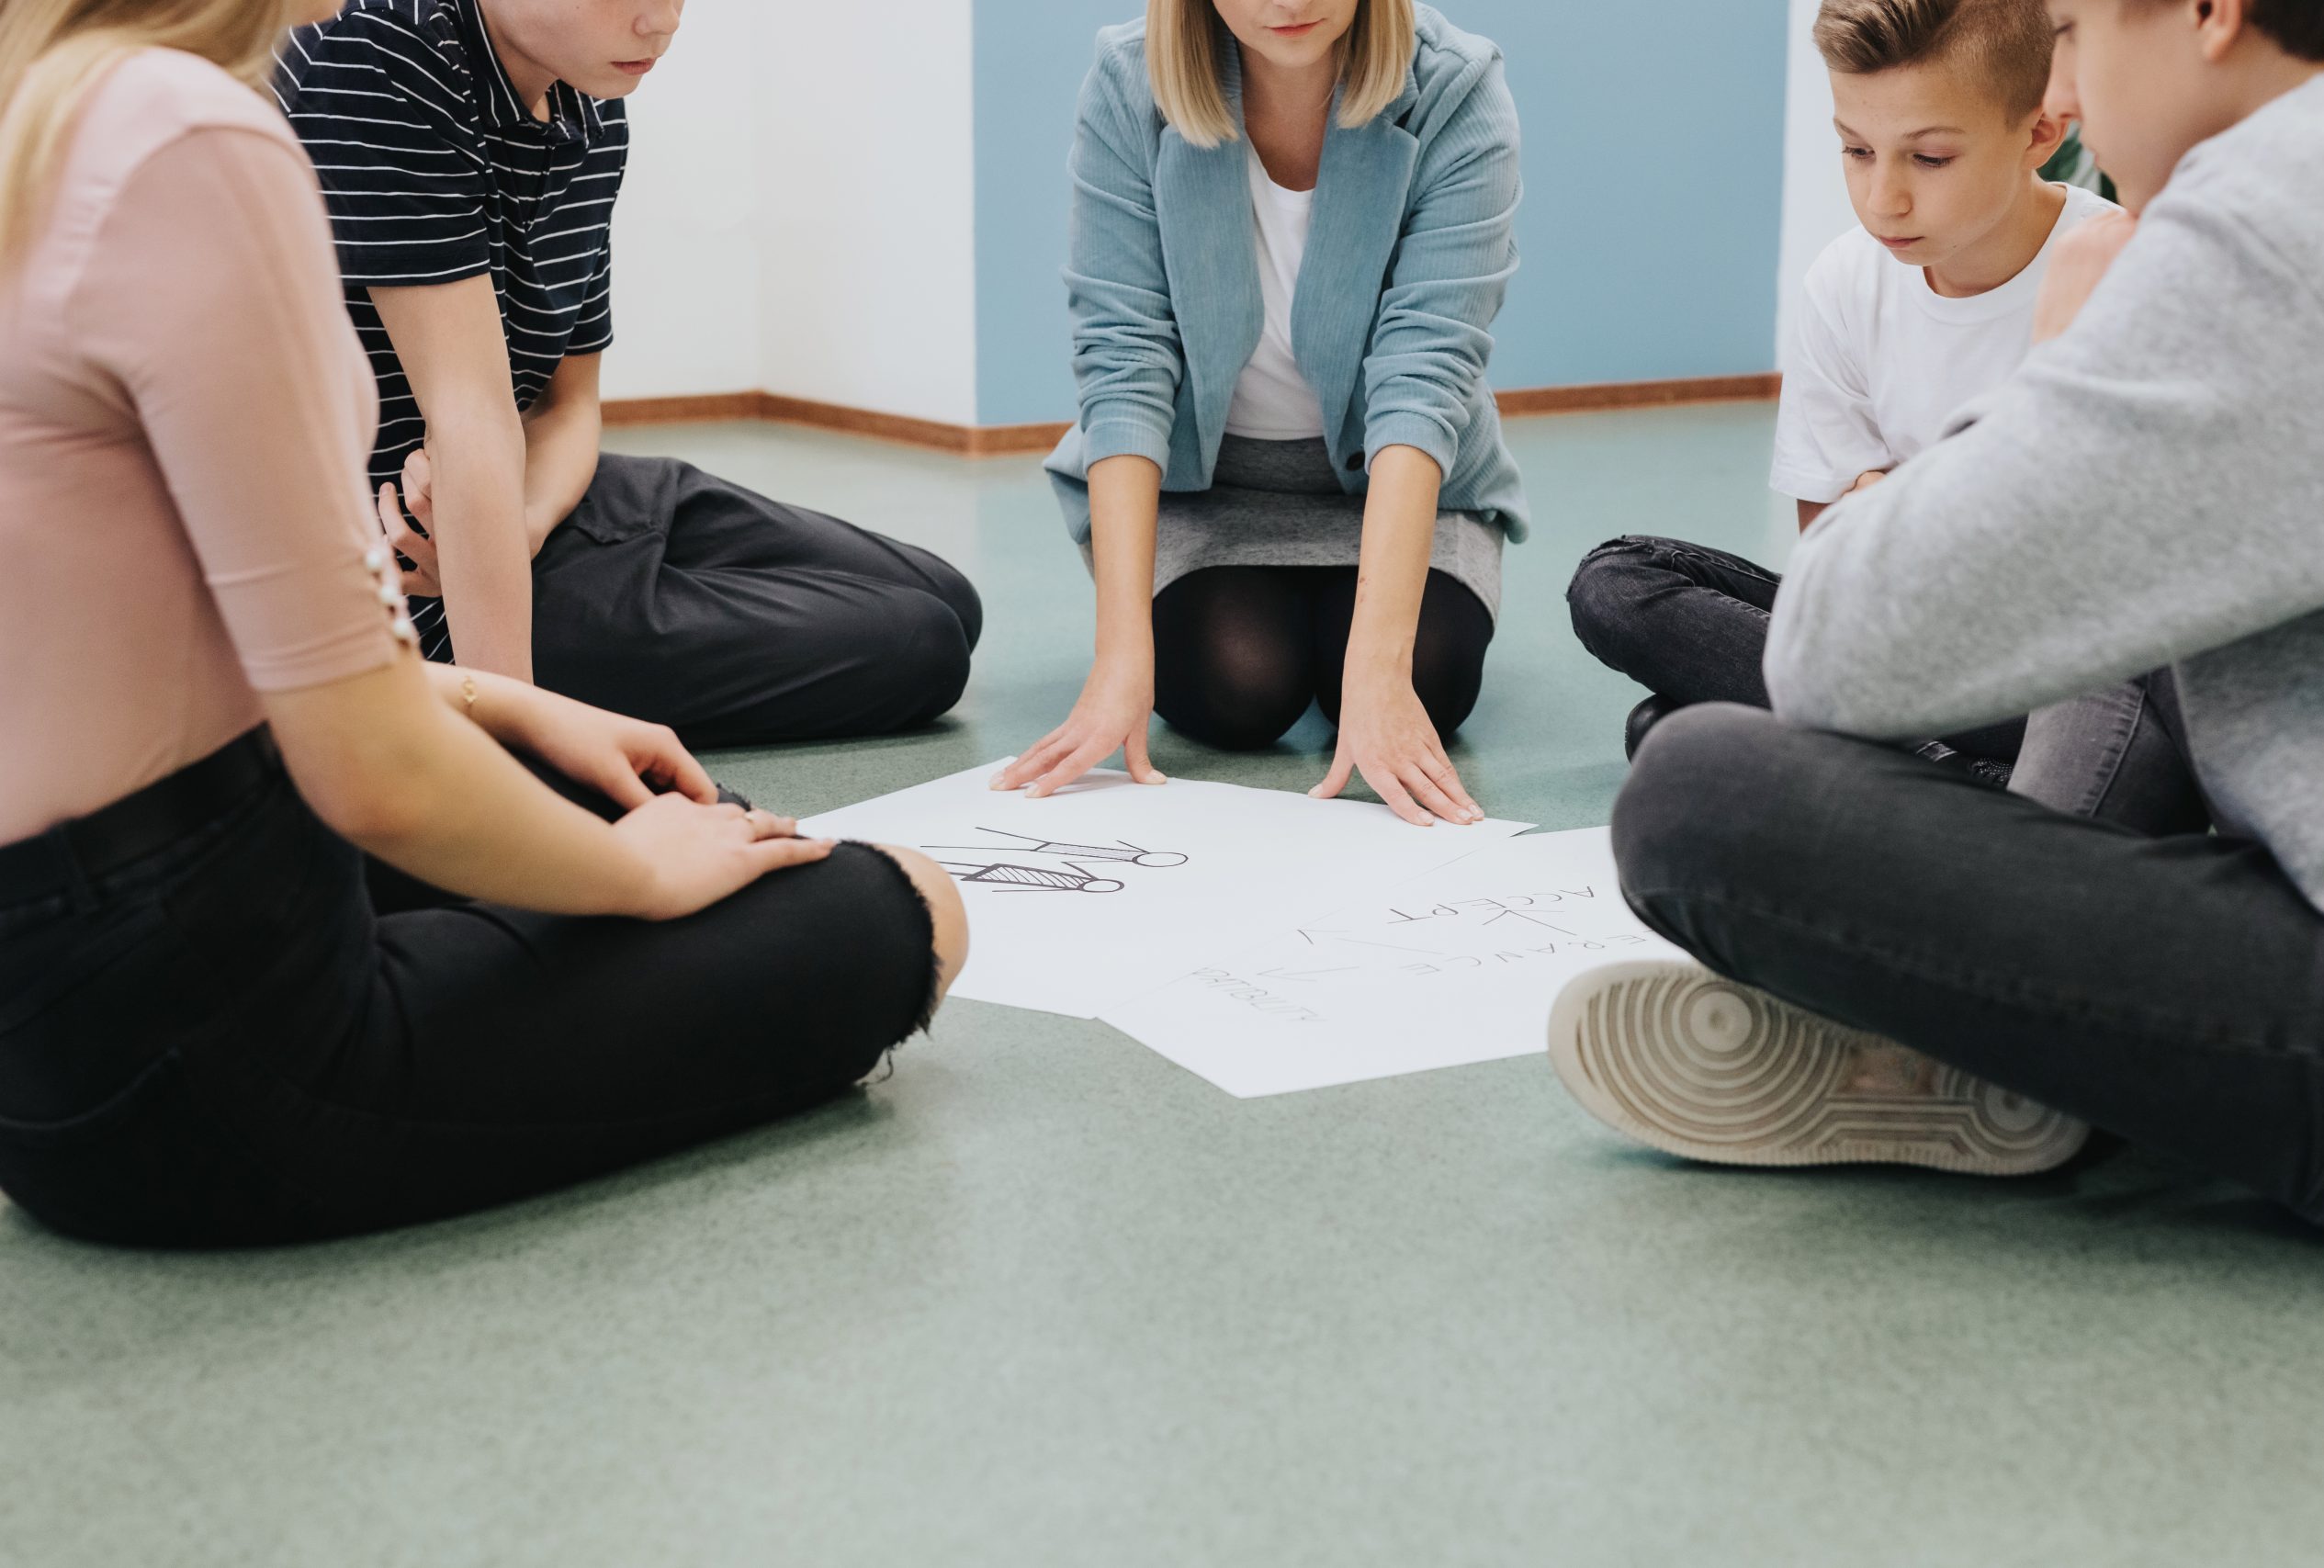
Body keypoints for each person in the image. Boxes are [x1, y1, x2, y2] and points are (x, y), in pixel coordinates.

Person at [0, 0, 968, 1247]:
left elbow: (152, 617)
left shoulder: (53, 99)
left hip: (54, 1016)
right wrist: (635, 875)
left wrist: (504, 701)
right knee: (910, 902)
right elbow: (375, 774)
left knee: (738, 766)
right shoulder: (190, 134)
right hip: (210, 1054)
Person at [1551, 0, 2324, 1230]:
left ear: (2210, 12)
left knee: (1699, 785)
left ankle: (2000, 1049)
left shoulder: (2268, 214)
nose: (2066, 96)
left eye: (2076, 30)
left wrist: (2059, 349)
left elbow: (1835, 650)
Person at [272, 0, 983, 745]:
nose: (663, 22)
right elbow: (469, 414)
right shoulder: (382, 48)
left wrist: (524, 522)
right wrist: (513, 742)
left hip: (533, 502)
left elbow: (568, 406)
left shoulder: (592, 101)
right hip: (420, 580)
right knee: (923, 643)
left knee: (950, 597)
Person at [1566, 0, 2198, 833]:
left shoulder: (2116, 262)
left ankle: (1880, 763)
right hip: (1906, 646)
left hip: (2056, 674)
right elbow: (1834, 570)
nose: (1883, 197)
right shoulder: (1843, 283)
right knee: (1615, 583)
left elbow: (2112, 584)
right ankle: (1943, 770)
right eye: (1856, 150)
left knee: (1672, 735)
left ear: (2041, 131)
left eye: (1930, 157)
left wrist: (1896, 506)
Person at [998, 0, 1527, 829]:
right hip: (1207, 492)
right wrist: (1119, 657)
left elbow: (1424, 378)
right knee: (1234, 688)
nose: (1287, 3)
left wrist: (1380, 667)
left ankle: (1355, 636)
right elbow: (1125, 361)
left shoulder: (1455, 88)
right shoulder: (1127, 81)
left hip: (1392, 484)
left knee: (1426, 677)